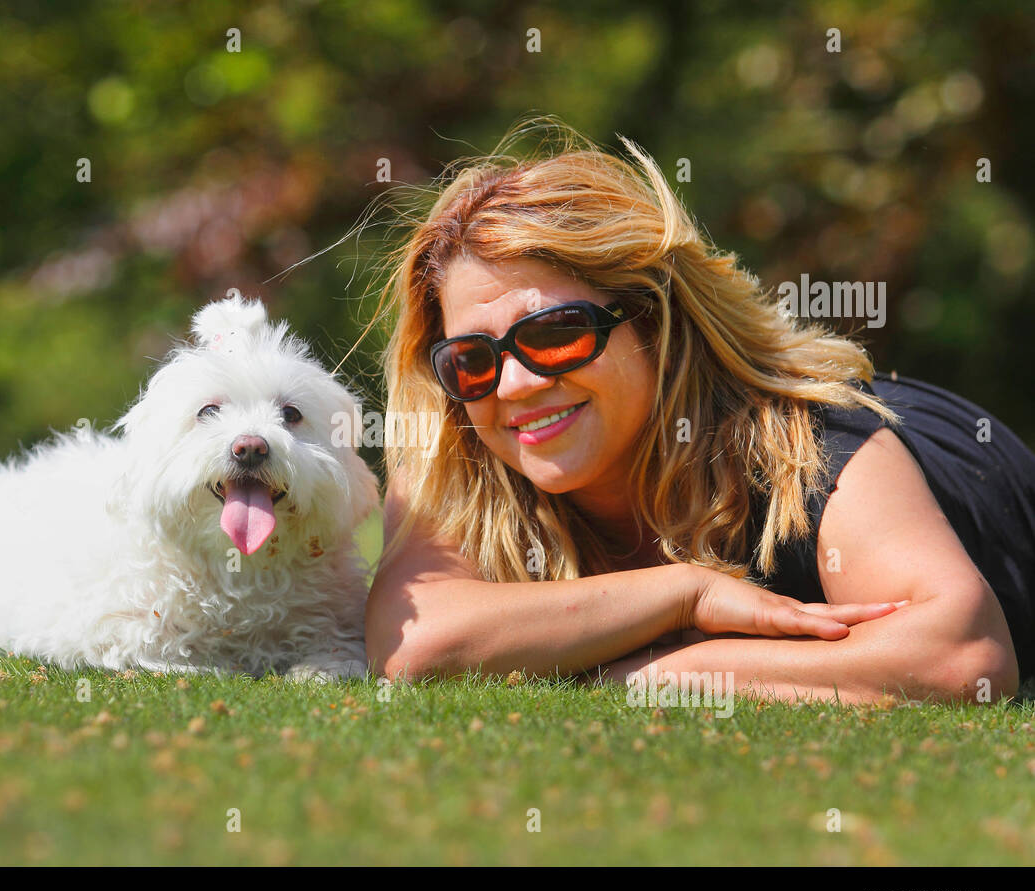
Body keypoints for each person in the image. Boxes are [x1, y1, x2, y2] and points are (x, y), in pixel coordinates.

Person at [363, 123, 1033, 704]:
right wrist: (686, 594)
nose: (512, 384)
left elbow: (960, 657)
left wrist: (649, 672)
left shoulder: (820, 446)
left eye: (555, 333)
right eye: (471, 360)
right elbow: (416, 645)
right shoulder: (456, 440)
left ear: (655, 322)